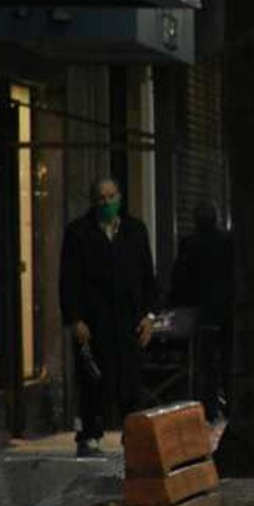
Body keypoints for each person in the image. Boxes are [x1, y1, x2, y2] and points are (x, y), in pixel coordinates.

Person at [59, 178, 158, 457]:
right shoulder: (78, 233)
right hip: (94, 320)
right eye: (101, 198)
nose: (106, 203)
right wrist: (75, 319)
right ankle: (90, 433)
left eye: (111, 196)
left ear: (120, 197)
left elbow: (147, 278)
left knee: (130, 378)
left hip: (128, 320)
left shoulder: (135, 231)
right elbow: (69, 280)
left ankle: (133, 434)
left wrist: (149, 316)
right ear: (93, 201)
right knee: (92, 378)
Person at [170, 201, 233, 423]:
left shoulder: (190, 243)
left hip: (203, 312)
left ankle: (209, 410)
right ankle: (230, 407)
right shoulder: (228, 241)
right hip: (226, 311)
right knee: (227, 362)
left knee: (206, 365)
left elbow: (181, 278)